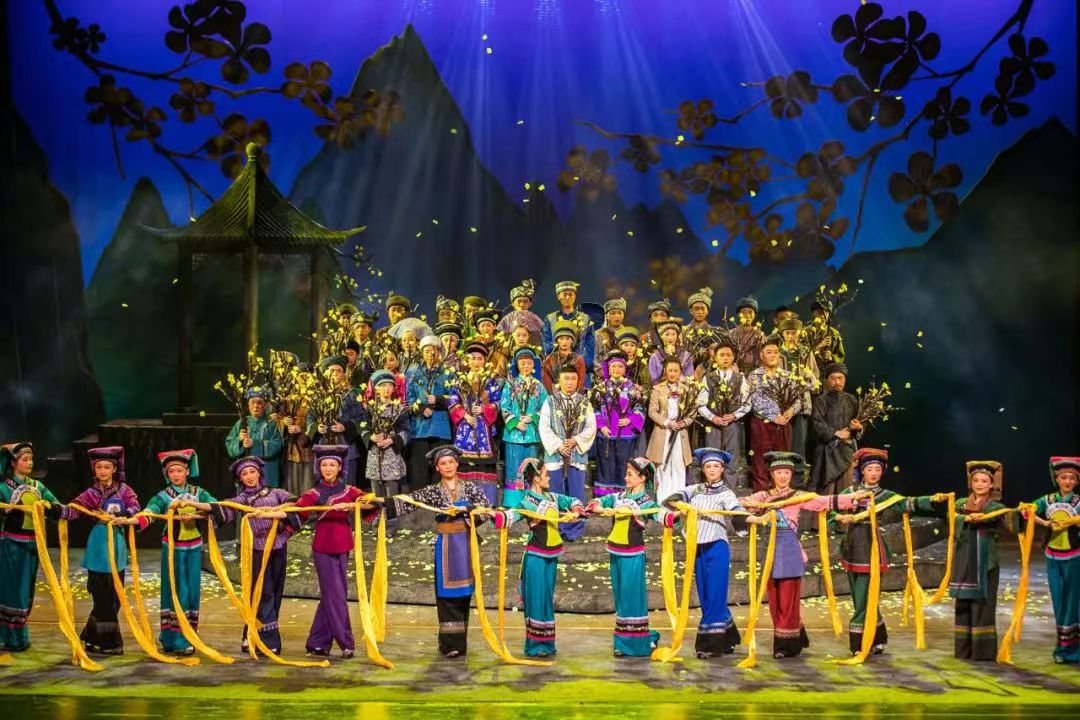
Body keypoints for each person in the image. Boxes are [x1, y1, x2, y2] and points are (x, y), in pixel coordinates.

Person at [743, 452, 863, 659]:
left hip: (789, 550)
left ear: (791, 475)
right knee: (775, 600)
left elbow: (822, 502)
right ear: (772, 474)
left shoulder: (798, 496)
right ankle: (793, 637)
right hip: (770, 551)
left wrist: (852, 498)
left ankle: (785, 646)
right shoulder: (763, 497)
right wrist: (752, 512)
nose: (783, 476)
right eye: (779, 472)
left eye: (786, 473)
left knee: (788, 599)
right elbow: (741, 504)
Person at [904, 461, 1016, 661]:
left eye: (984, 481)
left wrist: (1022, 514)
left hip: (985, 561)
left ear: (992, 484)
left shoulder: (995, 507)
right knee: (963, 603)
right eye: (976, 480)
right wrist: (963, 518)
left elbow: (1012, 522)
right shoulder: (960, 504)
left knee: (983, 605)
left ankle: (983, 653)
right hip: (963, 558)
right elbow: (949, 516)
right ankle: (964, 650)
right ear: (970, 483)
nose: (979, 484)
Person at [391, 445, 492, 657]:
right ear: (437, 468)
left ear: (457, 463)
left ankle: (460, 642)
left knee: (464, 593)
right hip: (446, 545)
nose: (448, 466)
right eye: (443, 463)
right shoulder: (433, 491)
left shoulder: (470, 488)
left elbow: (486, 507)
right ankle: (450, 645)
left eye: (451, 462)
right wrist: (378, 504)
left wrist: (467, 510)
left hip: (465, 544)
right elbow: (408, 501)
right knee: (447, 594)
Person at [664, 448, 761, 658]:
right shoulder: (694, 490)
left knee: (716, 593)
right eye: (708, 466)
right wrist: (684, 507)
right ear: (703, 469)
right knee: (705, 594)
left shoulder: (726, 493)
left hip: (717, 546)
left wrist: (759, 520)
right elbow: (671, 500)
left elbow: (737, 513)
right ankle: (728, 638)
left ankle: (709, 644)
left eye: (716, 466)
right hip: (697, 547)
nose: (712, 470)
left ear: (722, 469)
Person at [490, 458, 586, 657]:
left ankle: (547, 644)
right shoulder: (527, 501)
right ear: (536, 478)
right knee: (536, 599)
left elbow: (573, 501)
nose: (548, 477)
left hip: (552, 555)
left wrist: (577, 509)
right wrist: (491, 514)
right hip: (536, 556)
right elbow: (510, 516)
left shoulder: (552, 497)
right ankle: (535, 645)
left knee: (546, 599)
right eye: (545, 474)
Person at [210, 456, 301, 654]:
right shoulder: (243, 499)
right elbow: (220, 507)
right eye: (244, 474)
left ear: (259, 473)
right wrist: (192, 506)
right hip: (257, 551)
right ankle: (267, 642)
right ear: (240, 479)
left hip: (278, 548)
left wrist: (273, 510)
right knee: (262, 594)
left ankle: (250, 634)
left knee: (275, 593)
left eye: (252, 472)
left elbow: (294, 502)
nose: (249, 476)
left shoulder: (276, 492)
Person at [293, 445, 376, 658]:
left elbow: (372, 503)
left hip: (343, 546)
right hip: (323, 547)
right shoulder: (313, 493)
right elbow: (296, 511)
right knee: (336, 594)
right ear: (318, 468)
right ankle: (345, 642)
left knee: (332, 594)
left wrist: (352, 506)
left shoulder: (350, 491)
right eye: (324, 465)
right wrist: (269, 512)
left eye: (332, 465)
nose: (328, 468)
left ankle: (318, 643)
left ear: (340, 468)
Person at [586, 457, 669, 657]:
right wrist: (597, 505)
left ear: (642, 478)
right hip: (615, 552)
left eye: (630, 475)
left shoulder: (646, 502)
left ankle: (632, 643)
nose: (625, 478)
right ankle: (625, 640)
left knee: (632, 597)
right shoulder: (620, 496)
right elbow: (599, 501)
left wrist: (674, 515)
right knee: (621, 598)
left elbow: (661, 515)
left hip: (632, 555)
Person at [61, 446, 140, 655]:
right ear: (94, 470)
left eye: (107, 467)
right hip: (99, 547)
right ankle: (109, 643)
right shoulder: (91, 493)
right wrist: (54, 509)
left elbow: (135, 507)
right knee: (102, 597)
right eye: (99, 467)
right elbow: (74, 509)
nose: (103, 471)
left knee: (115, 598)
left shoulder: (124, 490)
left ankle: (90, 635)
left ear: (114, 469)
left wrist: (123, 515)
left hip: (117, 546)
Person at [137, 449, 217, 655]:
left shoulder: (198, 492)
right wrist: (137, 520)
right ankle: (175, 639)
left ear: (187, 471)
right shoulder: (164, 495)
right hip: (173, 547)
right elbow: (151, 510)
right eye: (171, 471)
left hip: (194, 546)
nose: (175, 475)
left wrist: (196, 512)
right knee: (175, 589)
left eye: (179, 470)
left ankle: (188, 635)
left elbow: (215, 506)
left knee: (192, 591)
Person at [829, 448, 902, 655]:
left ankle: (860, 643)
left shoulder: (885, 496)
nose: (874, 473)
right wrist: (839, 517)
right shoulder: (850, 491)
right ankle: (877, 637)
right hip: (852, 548)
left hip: (873, 549)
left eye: (877, 469)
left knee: (865, 597)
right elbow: (828, 509)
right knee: (860, 597)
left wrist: (932, 501)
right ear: (862, 471)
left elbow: (907, 504)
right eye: (870, 469)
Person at [0, 443, 63, 652]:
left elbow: (56, 504)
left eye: (31, 459)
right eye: (24, 459)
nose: (29, 463)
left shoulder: (37, 487)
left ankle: (16, 635)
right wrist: (7, 509)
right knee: (12, 590)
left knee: (26, 591)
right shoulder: (3, 487)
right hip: (11, 545)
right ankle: (12, 638)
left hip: (33, 546)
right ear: (13, 462)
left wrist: (51, 507)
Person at [538, 364, 597, 541]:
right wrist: (558, 445)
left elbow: (591, 426)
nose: (569, 382)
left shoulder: (584, 402)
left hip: (576, 453)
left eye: (573, 379)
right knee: (555, 492)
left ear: (578, 381)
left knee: (576, 493)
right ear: (559, 381)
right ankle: (555, 528)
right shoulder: (550, 401)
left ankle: (574, 530)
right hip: (555, 455)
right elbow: (544, 426)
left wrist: (576, 440)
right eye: (566, 378)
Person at [1031, 456, 1080, 664]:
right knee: (1059, 602)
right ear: (1056, 479)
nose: (1068, 481)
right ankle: (1063, 648)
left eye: (1072, 478)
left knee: (1073, 602)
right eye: (1063, 477)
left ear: (1076, 481)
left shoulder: (1078, 502)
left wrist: (1073, 521)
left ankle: (1071, 650)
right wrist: (1045, 523)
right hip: (1052, 557)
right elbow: (1026, 511)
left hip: (1075, 557)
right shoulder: (1048, 500)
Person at [448, 341, 504, 504]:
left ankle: (486, 501)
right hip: (465, 428)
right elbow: (452, 400)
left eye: (480, 359)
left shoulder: (491, 381)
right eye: (473, 358)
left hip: (484, 428)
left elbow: (498, 402)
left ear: (485, 361)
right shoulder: (460, 380)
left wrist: (484, 409)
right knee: (464, 463)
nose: (476, 362)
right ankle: (463, 501)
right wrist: (464, 414)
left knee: (485, 465)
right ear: (467, 360)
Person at [696, 339, 752, 489]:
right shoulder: (708, 378)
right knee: (712, 457)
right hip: (713, 424)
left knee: (732, 458)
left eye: (728, 355)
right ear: (715, 357)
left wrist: (734, 416)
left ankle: (729, 492)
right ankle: (712, 490)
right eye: (722, 355)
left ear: (733, 357)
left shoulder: (740, 378)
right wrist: (712, 417)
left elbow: (747, 403)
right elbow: (700, 403)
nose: (725, 358)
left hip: (733, 424)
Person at [306, 355, 367, 489]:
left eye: (339, 370)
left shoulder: (352, 394)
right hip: (324, 446)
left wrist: (345, 427)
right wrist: (317, 427)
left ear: (344, 373)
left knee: (346, 487)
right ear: (325, 373)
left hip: (346, 446)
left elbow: (362, 419)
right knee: (324, 487)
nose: (335, 373)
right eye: (332, 370)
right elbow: (310, 418)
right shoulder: (318, 395)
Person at [592, 349, 646, 497]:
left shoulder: (633, 388)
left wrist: (630, 419)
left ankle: (624, 497)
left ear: (625, 369)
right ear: (608, 369)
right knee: (605, 467)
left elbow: (640, 408)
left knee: (624, 466)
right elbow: (594, 409)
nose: (617, 369)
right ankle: (604, 498)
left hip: (625, 436)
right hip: (606, 435)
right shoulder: (600, 388)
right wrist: (601, 425)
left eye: (620, 366)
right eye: (613, 366)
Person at [499, 347, 548, 507]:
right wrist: (515, 422)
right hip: (513, 434)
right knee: (513, 467)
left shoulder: (539, 386)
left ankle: (530, 501)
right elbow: (504, 406)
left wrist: (532, 418)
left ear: (533, 365)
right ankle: (512, 501)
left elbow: (545, 407)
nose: (526, 366)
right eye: (522, 363)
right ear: (517, 365)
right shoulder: (510, 384)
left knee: (531, 467)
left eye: (529, 363)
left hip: (531, 433)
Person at [746, 336, 797, 492]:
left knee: (782, 460)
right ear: (762, 355)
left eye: (776, 352)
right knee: (760, 461)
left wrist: (792, 410)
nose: (773, 355)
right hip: (762, 424)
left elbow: (798, 397)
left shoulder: (787, 376)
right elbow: (754, 399)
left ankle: (780, 494)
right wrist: (774, 416)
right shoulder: (754, 376)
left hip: (783, 424)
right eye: (769, 352)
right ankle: (761, 496)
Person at [406, 335, 453, 488]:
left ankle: (439, 497)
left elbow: (455, 397)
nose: (430, 354)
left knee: (439, 468)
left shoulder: (447, 373)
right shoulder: (413, 372)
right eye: (427, 351)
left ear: (439, 352)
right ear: (422, 353)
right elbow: (409, 398)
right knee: (418, 469)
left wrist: (438, 400)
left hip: (440, 427)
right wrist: (420, 409)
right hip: (420, 428)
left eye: (434, 351)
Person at [810, 362, 863, 494]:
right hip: (827, 452)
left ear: (845, 380)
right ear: (827, 380)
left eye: (840, 378)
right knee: (826, 490)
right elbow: (816, 423)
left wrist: (859, 427)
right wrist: (835, 433)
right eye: (833, 378)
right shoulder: (820, 400)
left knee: (847, 489)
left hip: (847, 450)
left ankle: (845, 508)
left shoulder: (852, 400)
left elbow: (860, 422)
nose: (837, 382)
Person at [361, 370, 411, 508]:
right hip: (374, 455)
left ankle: (392, 520)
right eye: (383, 385)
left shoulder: (400, 408)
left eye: (389, 385)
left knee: (391, 498)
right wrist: (371, 437)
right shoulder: (369, 409)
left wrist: (392, 440)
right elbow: (363, 428)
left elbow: (406, 431)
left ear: (394, 388)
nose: (386, 389)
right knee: (376, 498)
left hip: (391, 455)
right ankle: (377, 519)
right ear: (376, 388)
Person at [647, 356, 694, 502]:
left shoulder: (686, 389)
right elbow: (652, 411)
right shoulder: (657, 389)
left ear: (680, 372)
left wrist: (683, 422)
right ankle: (662, 499)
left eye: (676, 370)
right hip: (663, 431)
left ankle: (678, 499)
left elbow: (692, 412)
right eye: (670, 370)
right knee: (663, 464)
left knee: (679, 464)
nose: (673, 373)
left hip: (680, 432)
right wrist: (667, 422)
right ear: (665, 371)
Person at [225, 386, 285, 488]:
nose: (255, 406)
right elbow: (229, 444)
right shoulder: (241, 423)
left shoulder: (272, 423)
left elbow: (277, 445)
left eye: (259, 403)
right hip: (245, 474)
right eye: (252, 402)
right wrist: (239, 441)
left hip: (267, 474)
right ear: (248, 405)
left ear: (265, 405)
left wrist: (254, 444)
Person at [778, 317, 819, 462]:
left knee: (799, 442)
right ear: (782, 334)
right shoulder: (777, 353)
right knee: (782, 441)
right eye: (787, 333)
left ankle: (798, 474)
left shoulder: (806, 352)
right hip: (782, 404)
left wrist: (808, 375)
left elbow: (815, 377)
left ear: (800, 333)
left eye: (794, 333)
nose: (791, 336)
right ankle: (781, 472)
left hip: (801, 403)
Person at [541, 280, 596, 371]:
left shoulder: (586, 319)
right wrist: (555, 363)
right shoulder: (550, 319)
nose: (567, 297)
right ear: (558, 296)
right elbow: (547, 343)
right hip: (556, 367)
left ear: (575, 296)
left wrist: (583, 364)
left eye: (570, 294)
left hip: (580, 366)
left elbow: (590, 345)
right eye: (564, 294)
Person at [542, 320, 587, 392]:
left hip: (574, 393)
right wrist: (553, 394)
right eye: (561, 338)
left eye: (568, 338)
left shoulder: (578, 359)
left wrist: (574, 394)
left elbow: (581, 380)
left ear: (572, 340)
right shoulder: (550, 359)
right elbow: (546, 381)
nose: (564, 342)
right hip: (555, 393)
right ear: (557, 341)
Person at [497, 279, 544, 345]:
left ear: (530, 303)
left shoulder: (534, 318)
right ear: (513, 303)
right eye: (519, 301)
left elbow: (539, 337)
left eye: (525, 301)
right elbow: (501, 336)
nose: (522, 305)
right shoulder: (507, 319)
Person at [647, 318, 693, 384]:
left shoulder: (686, 355)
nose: (670, 338)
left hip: (682, 388)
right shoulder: (654, 357)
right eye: (667, 334)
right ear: (661, 336)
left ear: (677, 336)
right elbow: (653, 379)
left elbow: (689, 378)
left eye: (673, 334)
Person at [730, 295, 766, 374]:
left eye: (750, 312)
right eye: (743, 312)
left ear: (754, 315)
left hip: (755, 373)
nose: (747, 315)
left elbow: (763, 357)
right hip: (734, 372)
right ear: (739, 314)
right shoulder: (731, 333)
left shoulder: (759, 334)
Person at [594, 298, 628, 373]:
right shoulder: (598, 334)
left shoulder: (629, 334)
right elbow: (594, 358)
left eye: (619, 313)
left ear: (623, 315)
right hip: (602, 375)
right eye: (613, 313)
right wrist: (603, 372)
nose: (617, 316)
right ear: (606, 316)